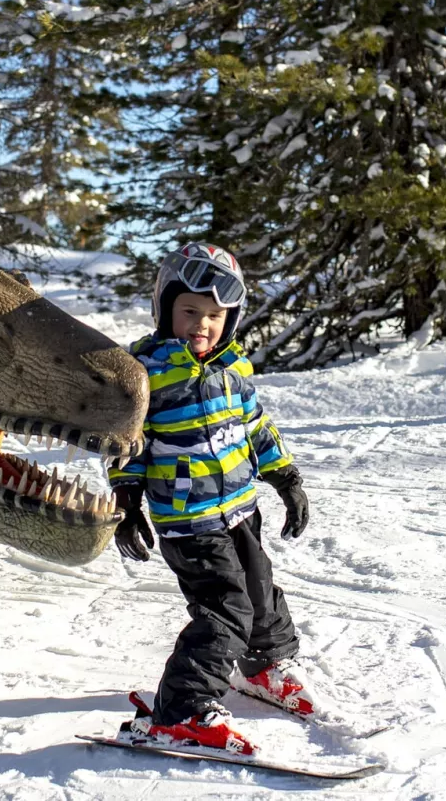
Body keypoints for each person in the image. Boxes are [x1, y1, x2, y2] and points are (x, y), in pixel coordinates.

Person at [110, 243, 312, 755]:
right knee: (225, 608)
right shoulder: (146, 372)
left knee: (258, 587)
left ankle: (263, 667)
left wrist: (285, 476)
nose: (202, 325)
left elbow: (256, 426)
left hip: (239, 507)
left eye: (215, 316)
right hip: (187, 520)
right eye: (190, 312)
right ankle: (182, 710)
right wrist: (126, 500)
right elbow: (128, 440)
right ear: (165, 309)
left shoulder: (233, 367)